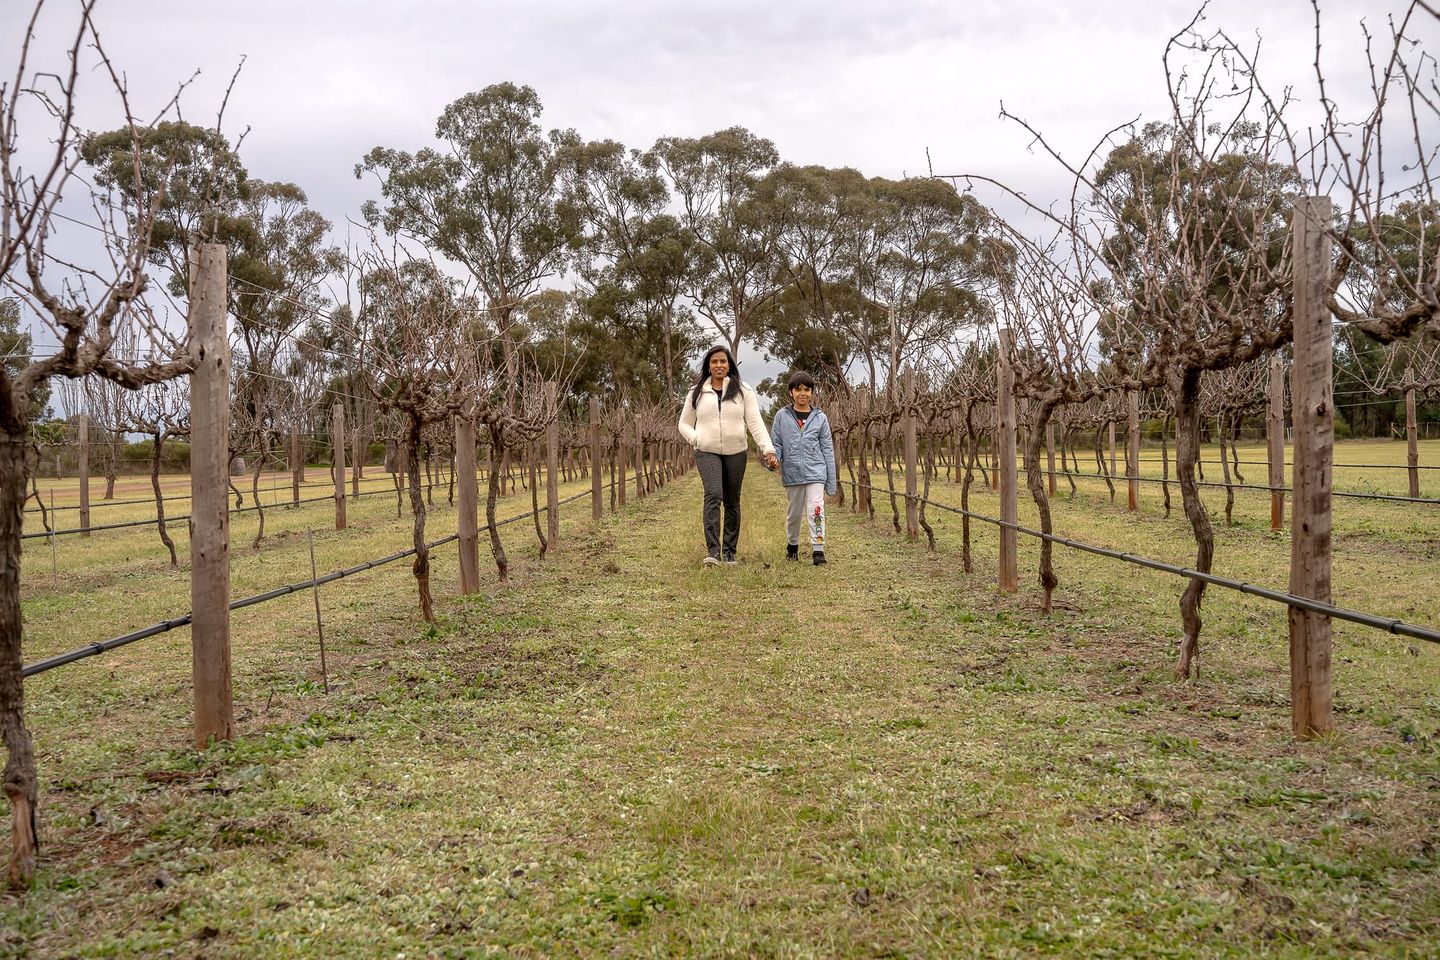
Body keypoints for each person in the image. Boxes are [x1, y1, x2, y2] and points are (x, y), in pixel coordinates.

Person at [677, 345, 778, 566]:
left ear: (729, 364)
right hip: (707, 452)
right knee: (713, 494)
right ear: (708, 366)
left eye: (723, 361)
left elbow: (755, 423)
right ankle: (713, 553)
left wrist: (768, 449)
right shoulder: (696, 393)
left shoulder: (743, 391)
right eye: (714, 362)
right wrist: (697, 439)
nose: (719, 365)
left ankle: (730, 552)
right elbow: (683, 424)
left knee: (732, 501)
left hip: (736, 453)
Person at [770, 371, 837, 566]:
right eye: (798, 389)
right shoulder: (782, 417)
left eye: (807, 390)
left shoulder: (820, 418)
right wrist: (774, 461)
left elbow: (827, 449)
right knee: (795, 513)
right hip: (793, 473)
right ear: (791, 392)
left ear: (812, 392)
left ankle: (818, 549)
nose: (803, 394)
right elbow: (777, 444)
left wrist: (830, 482)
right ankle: (792, 545)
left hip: (816, 471)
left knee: (816, 509)